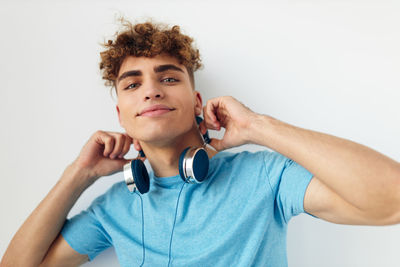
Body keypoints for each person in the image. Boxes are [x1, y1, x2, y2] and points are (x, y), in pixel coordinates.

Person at [1, 18, 400, 267]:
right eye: (133, 84)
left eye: (169, 77)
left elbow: (393, 200)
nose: (151, 91)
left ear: (196, 103)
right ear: (121, 116)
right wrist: (79, 174)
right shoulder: (115, 208)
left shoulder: (263, 175)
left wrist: (259, 126)